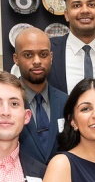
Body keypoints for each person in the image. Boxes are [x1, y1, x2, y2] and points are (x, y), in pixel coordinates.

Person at [14, 27, 68, 164]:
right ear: (16, 59)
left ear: (51, 57)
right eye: (28, 55)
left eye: (43, 54)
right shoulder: (5, 104)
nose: (37, 61)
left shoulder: (66, 102)